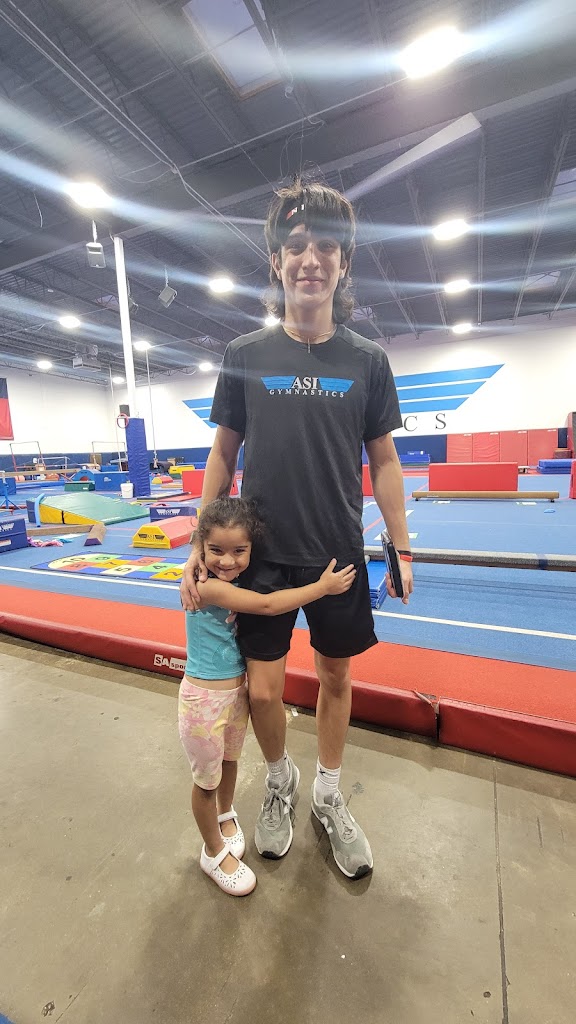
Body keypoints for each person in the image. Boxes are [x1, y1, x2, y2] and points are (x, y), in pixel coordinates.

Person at [180, 179, 413, 881]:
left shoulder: (367, 360)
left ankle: (329, 795)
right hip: (263, 555)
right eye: (297, 246)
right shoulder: (246, 352)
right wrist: (198, 546)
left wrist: (401, 545)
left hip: (337, 550)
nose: (311, 259)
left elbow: (385, 460)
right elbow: (223, 454)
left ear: (344, 263)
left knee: (336, 676)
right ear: (277, 261)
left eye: (326, 247)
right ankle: (279, 778)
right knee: (261, 691)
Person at [179, 495, 356, 896]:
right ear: (200, 546)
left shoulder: (230, 578)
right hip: (203, 703)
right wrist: (321, 588)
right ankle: (212, 852)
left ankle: (226, 814)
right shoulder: (208, 586)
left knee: (229, 763)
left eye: (239, 551)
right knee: (205, 782)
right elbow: (268, 604)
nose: (227, 561)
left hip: (233, 695)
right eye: (215, 551)